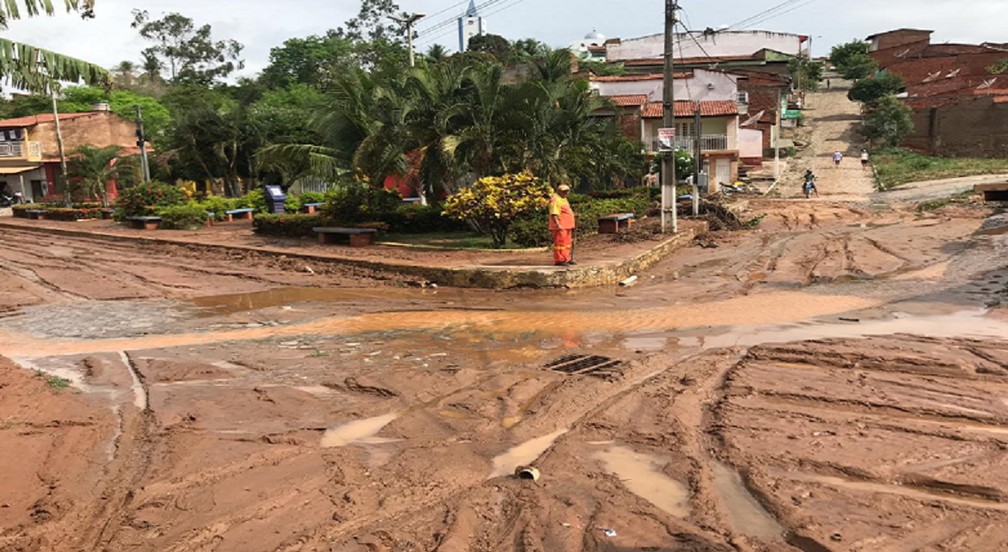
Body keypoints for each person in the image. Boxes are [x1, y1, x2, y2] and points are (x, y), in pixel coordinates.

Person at [548, 184, 576, 266]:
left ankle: (566, 258)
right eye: (564, 191)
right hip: (561, 226)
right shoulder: (555, 200)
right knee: (560, 243)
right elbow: (554, 213)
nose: (566, 193)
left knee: (567, 243)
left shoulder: (563, 199)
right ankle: (559, 259)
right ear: (559, 191)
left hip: (567, 225)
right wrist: (558, 224)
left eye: (567, 191)